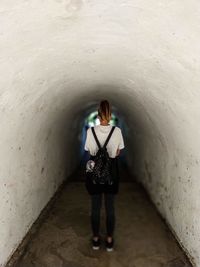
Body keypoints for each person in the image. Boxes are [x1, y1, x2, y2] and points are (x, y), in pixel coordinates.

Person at [84, 100, 125, 252]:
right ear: (110, 114)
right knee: (110, 208)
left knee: (95, 208)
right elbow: (117, 152)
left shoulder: (90, 132)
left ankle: (95, 240)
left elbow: (89, 152)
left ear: (99, 113)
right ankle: (109, 240)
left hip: (94, 173)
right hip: (112, 174)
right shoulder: (117, 132)